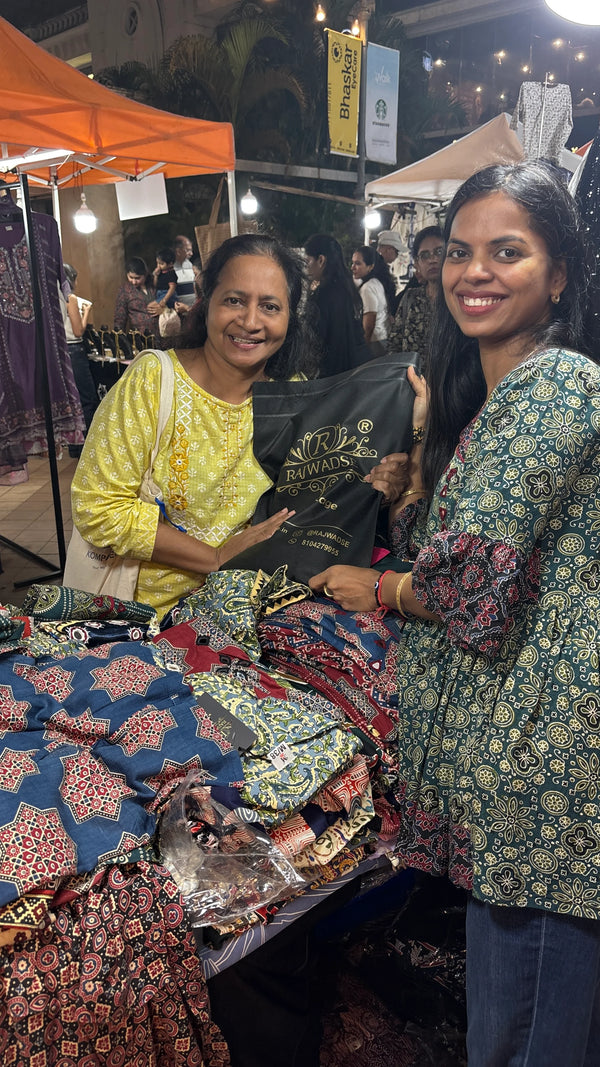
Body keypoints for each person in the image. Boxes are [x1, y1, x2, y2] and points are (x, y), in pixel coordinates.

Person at [311, 161, 600, 1065]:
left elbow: (468, 588)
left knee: (523, 1037)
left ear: (559, 274)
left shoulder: (555, 389)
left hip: (542, 777)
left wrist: (378, 588)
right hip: (514, 768)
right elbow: (464, 545)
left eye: (508, 252)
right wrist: (414, 473)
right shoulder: (502, 394)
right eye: (461, 252)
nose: (474, 271)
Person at [70, 234, 406, 620]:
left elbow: (313, 498)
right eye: (234, 300)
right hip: (149, 620)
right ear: (207, 301)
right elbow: (98, 508)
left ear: (290, 317)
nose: (250, 322)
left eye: (270, 306)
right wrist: (214, 557)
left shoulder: (293, 394)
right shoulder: (153, 381)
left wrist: (376, 485)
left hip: (259, 613)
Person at [303, 233, 370, 376]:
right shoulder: (349, 289)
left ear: (321, 260)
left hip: (332, 373)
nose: (306, 267)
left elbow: (314, 338)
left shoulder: (323, 295)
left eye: (307, 261)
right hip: (354, 368)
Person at [389, 225, 443, 367]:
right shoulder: (410, 298)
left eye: (439, 252)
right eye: (424, 255)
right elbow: (394, 344)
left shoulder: (461, 299)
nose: (432, 259)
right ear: (417, 263)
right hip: (411, 378)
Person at [60, 263, 98, 457]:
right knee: (87, 399)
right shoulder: (70, 298)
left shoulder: (52, 298)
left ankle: (74, 446)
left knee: (70, 401)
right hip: (74, 350)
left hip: (59, 352)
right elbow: (78, 331)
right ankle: (88, 446)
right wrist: (87, 312)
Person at [351, 245, 396, 351]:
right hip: (383, 338)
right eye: (353, 263)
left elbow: (369, 325)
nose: (352, 267)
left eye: (358, 263)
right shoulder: (376, 283)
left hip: (375, 342)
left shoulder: (368, 288)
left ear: (370, 266)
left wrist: (362, 349)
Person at [113, 256, 156, 336]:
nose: (134, 282)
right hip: (141, 336)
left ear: (145, 274)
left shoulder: (155, 283)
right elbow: (120, 317)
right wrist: (118, 337)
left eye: (137, 278)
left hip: (163, 334)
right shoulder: (125, 290)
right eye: (131, 277)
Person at [377, 229, 405, 315]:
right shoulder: (379, 270)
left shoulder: (377, 266)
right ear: (389, 249)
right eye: (397, 252)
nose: (397, 255)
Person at [149, 248, 178, 313]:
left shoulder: (171, 274)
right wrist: (156, 275)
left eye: (161, 264)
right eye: (157, 263)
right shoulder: (161, 272)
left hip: (167, 295)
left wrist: (164, 300)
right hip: (159, 293)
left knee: (150, 306)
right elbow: (155, 285)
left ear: (170, 264)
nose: (158, 266)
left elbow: (172, 288)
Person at [173, 234, 197, 308]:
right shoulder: (170, 267)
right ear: (178, 251)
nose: (191, 253)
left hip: (193, 308)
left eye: (191, 250)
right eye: (188, 250)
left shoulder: (191, 265)